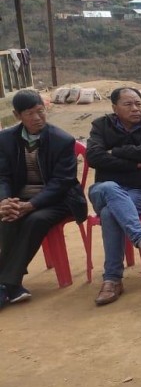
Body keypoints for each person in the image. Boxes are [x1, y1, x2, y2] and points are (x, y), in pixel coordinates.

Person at [0, 91, 87, 307]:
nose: (38, 118)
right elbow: (3, 176)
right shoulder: (5, 139)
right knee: (7, 216)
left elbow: (62, 182)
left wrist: (31, 205)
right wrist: (5, 201)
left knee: (35, 219)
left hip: (60, 200)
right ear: (17, 115)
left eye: (41, 111)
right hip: (21, 198)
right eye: (30, 114)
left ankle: (6, 284)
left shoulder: (62, 140)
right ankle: (12, 285)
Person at [87, 87, 141, 306]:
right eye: (128, 104)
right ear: (114, 108)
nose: (135, 109)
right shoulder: (100, 126)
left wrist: (115, 152)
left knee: (110, 213)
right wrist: (135, 163)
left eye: (138, 103)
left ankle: (112, 279)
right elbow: (93, 157)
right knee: (111, 188)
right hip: (102, 190)